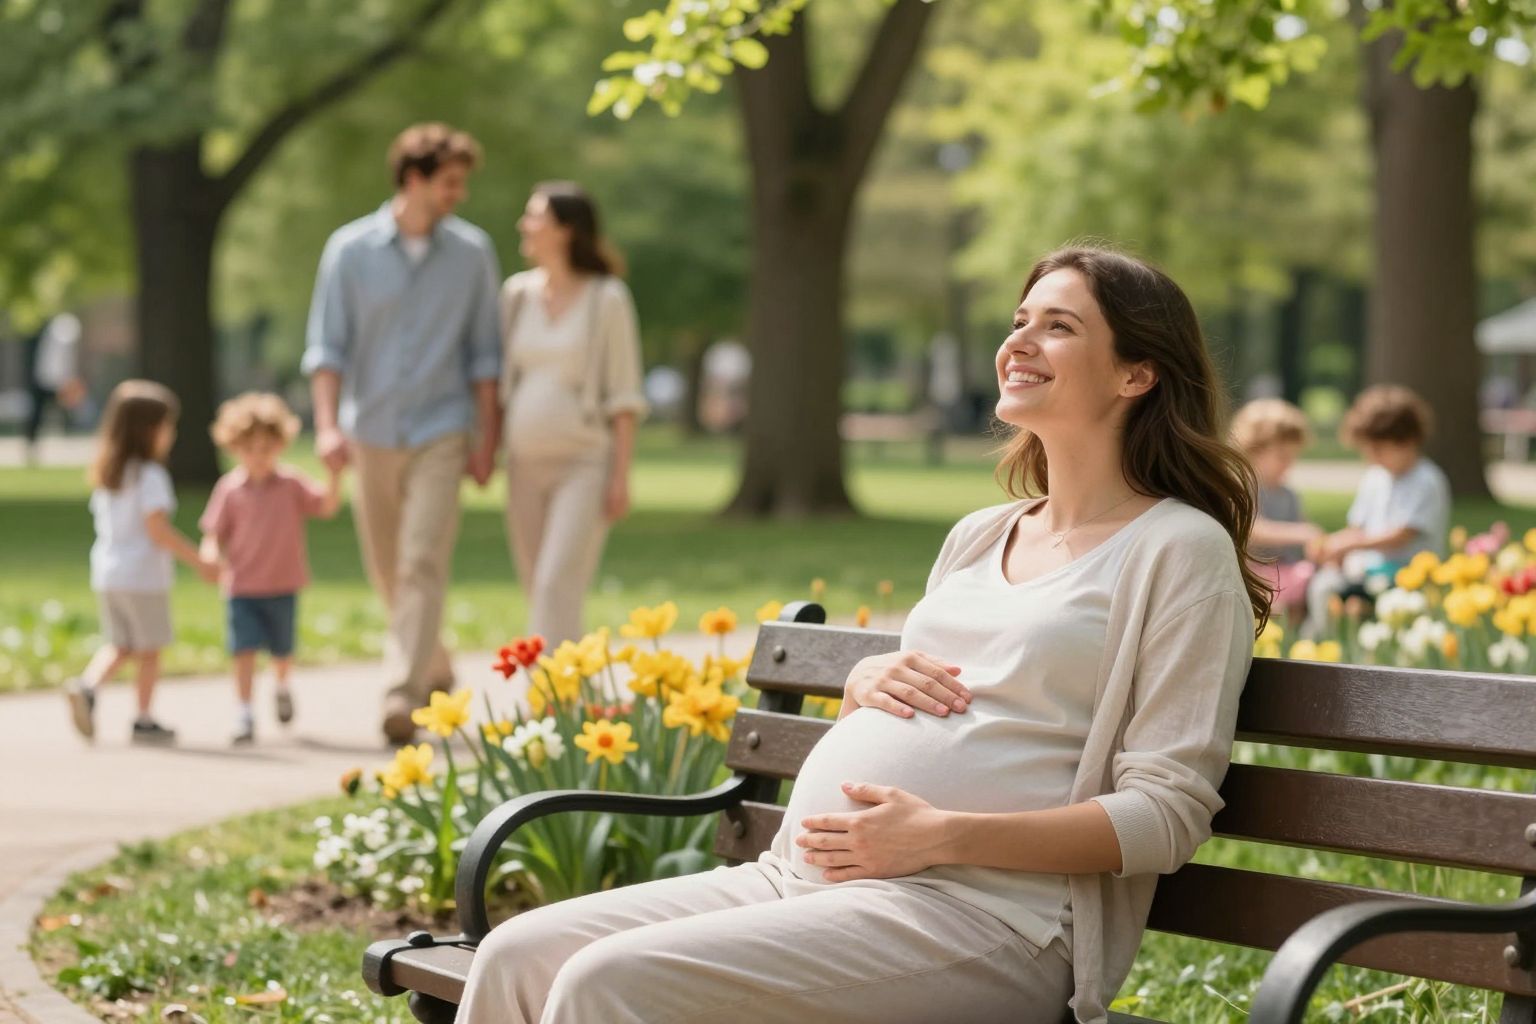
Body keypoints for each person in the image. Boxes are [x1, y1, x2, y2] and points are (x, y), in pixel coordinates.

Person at [456, 246, 1266, 1024]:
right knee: (514, 956)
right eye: (1019, 320)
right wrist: (861, 690)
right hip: (803, 883)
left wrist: (941, 836)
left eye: (1059, 326)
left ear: (1136, 373)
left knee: (606, 982)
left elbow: (1164, 815)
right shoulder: (981, 535)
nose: (1019, 341)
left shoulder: (1177, 551)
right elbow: (948, 706)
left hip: (988, 919)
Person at [301, 122, 502, 745]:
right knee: (387, 569)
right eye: (450, 182)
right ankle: (434, 665)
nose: (458, 194)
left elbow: (485, 356)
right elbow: (327, 348)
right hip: (372, 429)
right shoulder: (349, 250)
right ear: (414, 179)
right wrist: (327, 426)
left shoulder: (472, 254)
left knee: (421, 560)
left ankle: (402, 693)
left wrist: (487, 439)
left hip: (443, 429)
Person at [499, 182, 647, 646]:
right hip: (523, 466)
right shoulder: (516, 295)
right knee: (538, 588)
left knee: (555, 583)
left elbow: (624, 396)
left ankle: (544, 688)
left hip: (583, 466)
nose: (524, 225)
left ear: (565, 229)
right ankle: (573, 684)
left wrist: (620, 477)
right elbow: (500, 382)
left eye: (534, 217)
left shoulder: (607, 298)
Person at [65, 380, 219, 745]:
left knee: (121, 644)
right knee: (149, 650)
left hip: (108, 573)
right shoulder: (151, 476)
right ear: (149, 430)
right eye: (168, 426)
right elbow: (158, 530)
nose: (172, 434)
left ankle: (88, 686)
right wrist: (199, 561)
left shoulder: (109, 473)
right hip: (143, 577)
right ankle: (143, 718)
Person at [199, 392, 342, 745]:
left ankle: (281, 685)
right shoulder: (229, 489)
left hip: (282, 584)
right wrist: (210, 554)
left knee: (282, 651)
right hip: (242, 587)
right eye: (249, 449)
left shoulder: (291, 484)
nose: (258, 456)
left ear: (280, 445)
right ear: (235, 448)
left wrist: (334, 475)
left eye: (266, 448)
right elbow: (214, 533)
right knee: (243, 650)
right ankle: (244, 712)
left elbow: (325, 506)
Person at [1304, 384, 1450, 635]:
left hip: (1406, 576)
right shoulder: (1376, 477)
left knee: (1334, 591)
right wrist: (1333, 547)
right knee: (1322, 584)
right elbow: (1357, 528)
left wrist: (1350, 545)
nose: (1372, 458)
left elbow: (1403, 535)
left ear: (1407, 441)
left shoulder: (1426, 480)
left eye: (1379, 450)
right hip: (1369, 571)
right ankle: (1319, 641)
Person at [1231, 398, 1323, 623]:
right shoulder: (1243, 488)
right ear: (1253, 450)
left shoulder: (1287, 494)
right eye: (1282, 456)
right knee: (1271, 603)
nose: (1289, 463)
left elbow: (1301, 526)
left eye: (1293, 456)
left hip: (1286, 568)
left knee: (1314, 578)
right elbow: (1251, 529)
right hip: (1253, 571)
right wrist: (1303, 533)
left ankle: (1294, 636)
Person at [25, 311, 86, 463]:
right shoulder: (64, 333)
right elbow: (63, 360)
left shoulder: (53, 331)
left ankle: (68, 436)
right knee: (47, 412)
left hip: (49, 378)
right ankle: (36, 442)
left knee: (46, 412)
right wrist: (65, 381)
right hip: (52, 379)